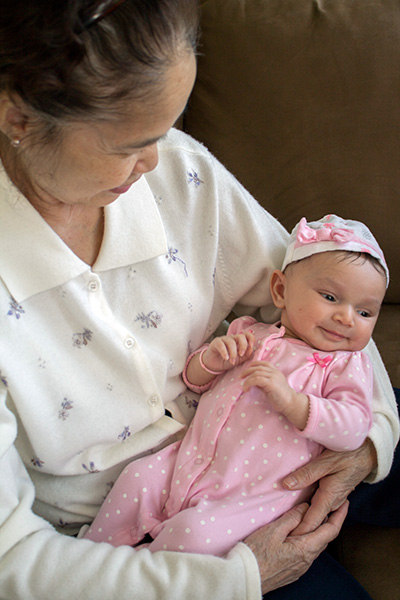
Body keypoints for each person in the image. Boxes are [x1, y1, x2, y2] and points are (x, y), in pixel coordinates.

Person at [0, 2, 398, 599]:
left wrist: (371, 443)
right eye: (132, 142)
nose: (156, 162)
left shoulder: (176, 174)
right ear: (19, 119)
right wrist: (234, 580)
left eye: (165, 131)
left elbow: (324, 294)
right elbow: (13, 559)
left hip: (275, 437)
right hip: (147, 541)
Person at [82, 214, 387, 556]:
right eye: (330, 297)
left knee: (191, 536)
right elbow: (193, 382)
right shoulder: (248, 333)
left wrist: (293, 402)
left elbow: (354, 428)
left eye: (365, 313)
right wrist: (210, 361)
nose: (347, 317)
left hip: (252, 495)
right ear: (281, 290)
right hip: (189, 460)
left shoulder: (345, 364)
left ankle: (139, 581)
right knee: (137, 479)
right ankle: (86, 560)